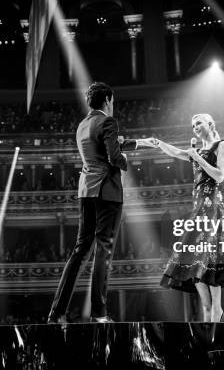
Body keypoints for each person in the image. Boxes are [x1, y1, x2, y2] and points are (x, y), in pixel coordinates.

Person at [47, 82, 156, 323]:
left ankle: (56, 312)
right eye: (113, 101)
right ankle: (99, 313)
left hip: (87, 191)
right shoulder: (108, 121)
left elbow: (108, 144)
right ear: (107, 99)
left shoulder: (83, 124)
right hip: (107, 191)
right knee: (103, 251)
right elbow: (114, 155)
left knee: (80, 251)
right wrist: (125, 160)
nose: (113, 105)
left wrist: (142, 142)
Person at [153, 113, 224, 322]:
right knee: (193, 258)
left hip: (213, 207)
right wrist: (159, 143)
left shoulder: (222, 146)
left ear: (210, 124)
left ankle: (217, 309)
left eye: (198, 123)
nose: (195, 127)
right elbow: (176, 152)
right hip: (198, 208)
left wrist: (197, 157)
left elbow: (219, 175)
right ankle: (208, 310)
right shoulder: (197, 150)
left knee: (211, 256)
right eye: (192, 125)